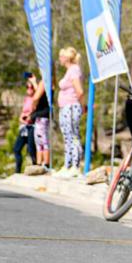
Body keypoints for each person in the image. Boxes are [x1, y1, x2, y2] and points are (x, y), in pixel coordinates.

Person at [55, 47, 85, 177]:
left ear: (66, 58)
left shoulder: (74, 70)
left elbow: (79, 91)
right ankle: (67, 164)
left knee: (73, 135)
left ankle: (75, 165)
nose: (60, 59)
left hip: (71, 106)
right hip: (65, 107)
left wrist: (82, 105)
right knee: (67, 136)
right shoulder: (69, 71)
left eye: (61, 56)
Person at [12, 72, 37, 173]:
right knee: (16, 149)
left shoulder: (36, 99)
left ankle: (36, 166)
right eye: (27, 87)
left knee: (31, 150)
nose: (29, 89)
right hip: (24, 127)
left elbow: (34, 111)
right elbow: (23, 111)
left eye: (31, 87)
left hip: (32, 126)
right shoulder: (27, 99)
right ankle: (17, 170)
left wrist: (34, 81)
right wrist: (21, 118)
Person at [29, 72, 50, 167]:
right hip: (42, 116)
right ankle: (40, 163)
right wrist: (34, 83)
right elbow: (41, 95)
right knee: (40, 141)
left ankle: (44, 163)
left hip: (41, 116)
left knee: (42, 142)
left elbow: (37, 97)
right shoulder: (48, 82)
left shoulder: (45, 81)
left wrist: (33, 106)